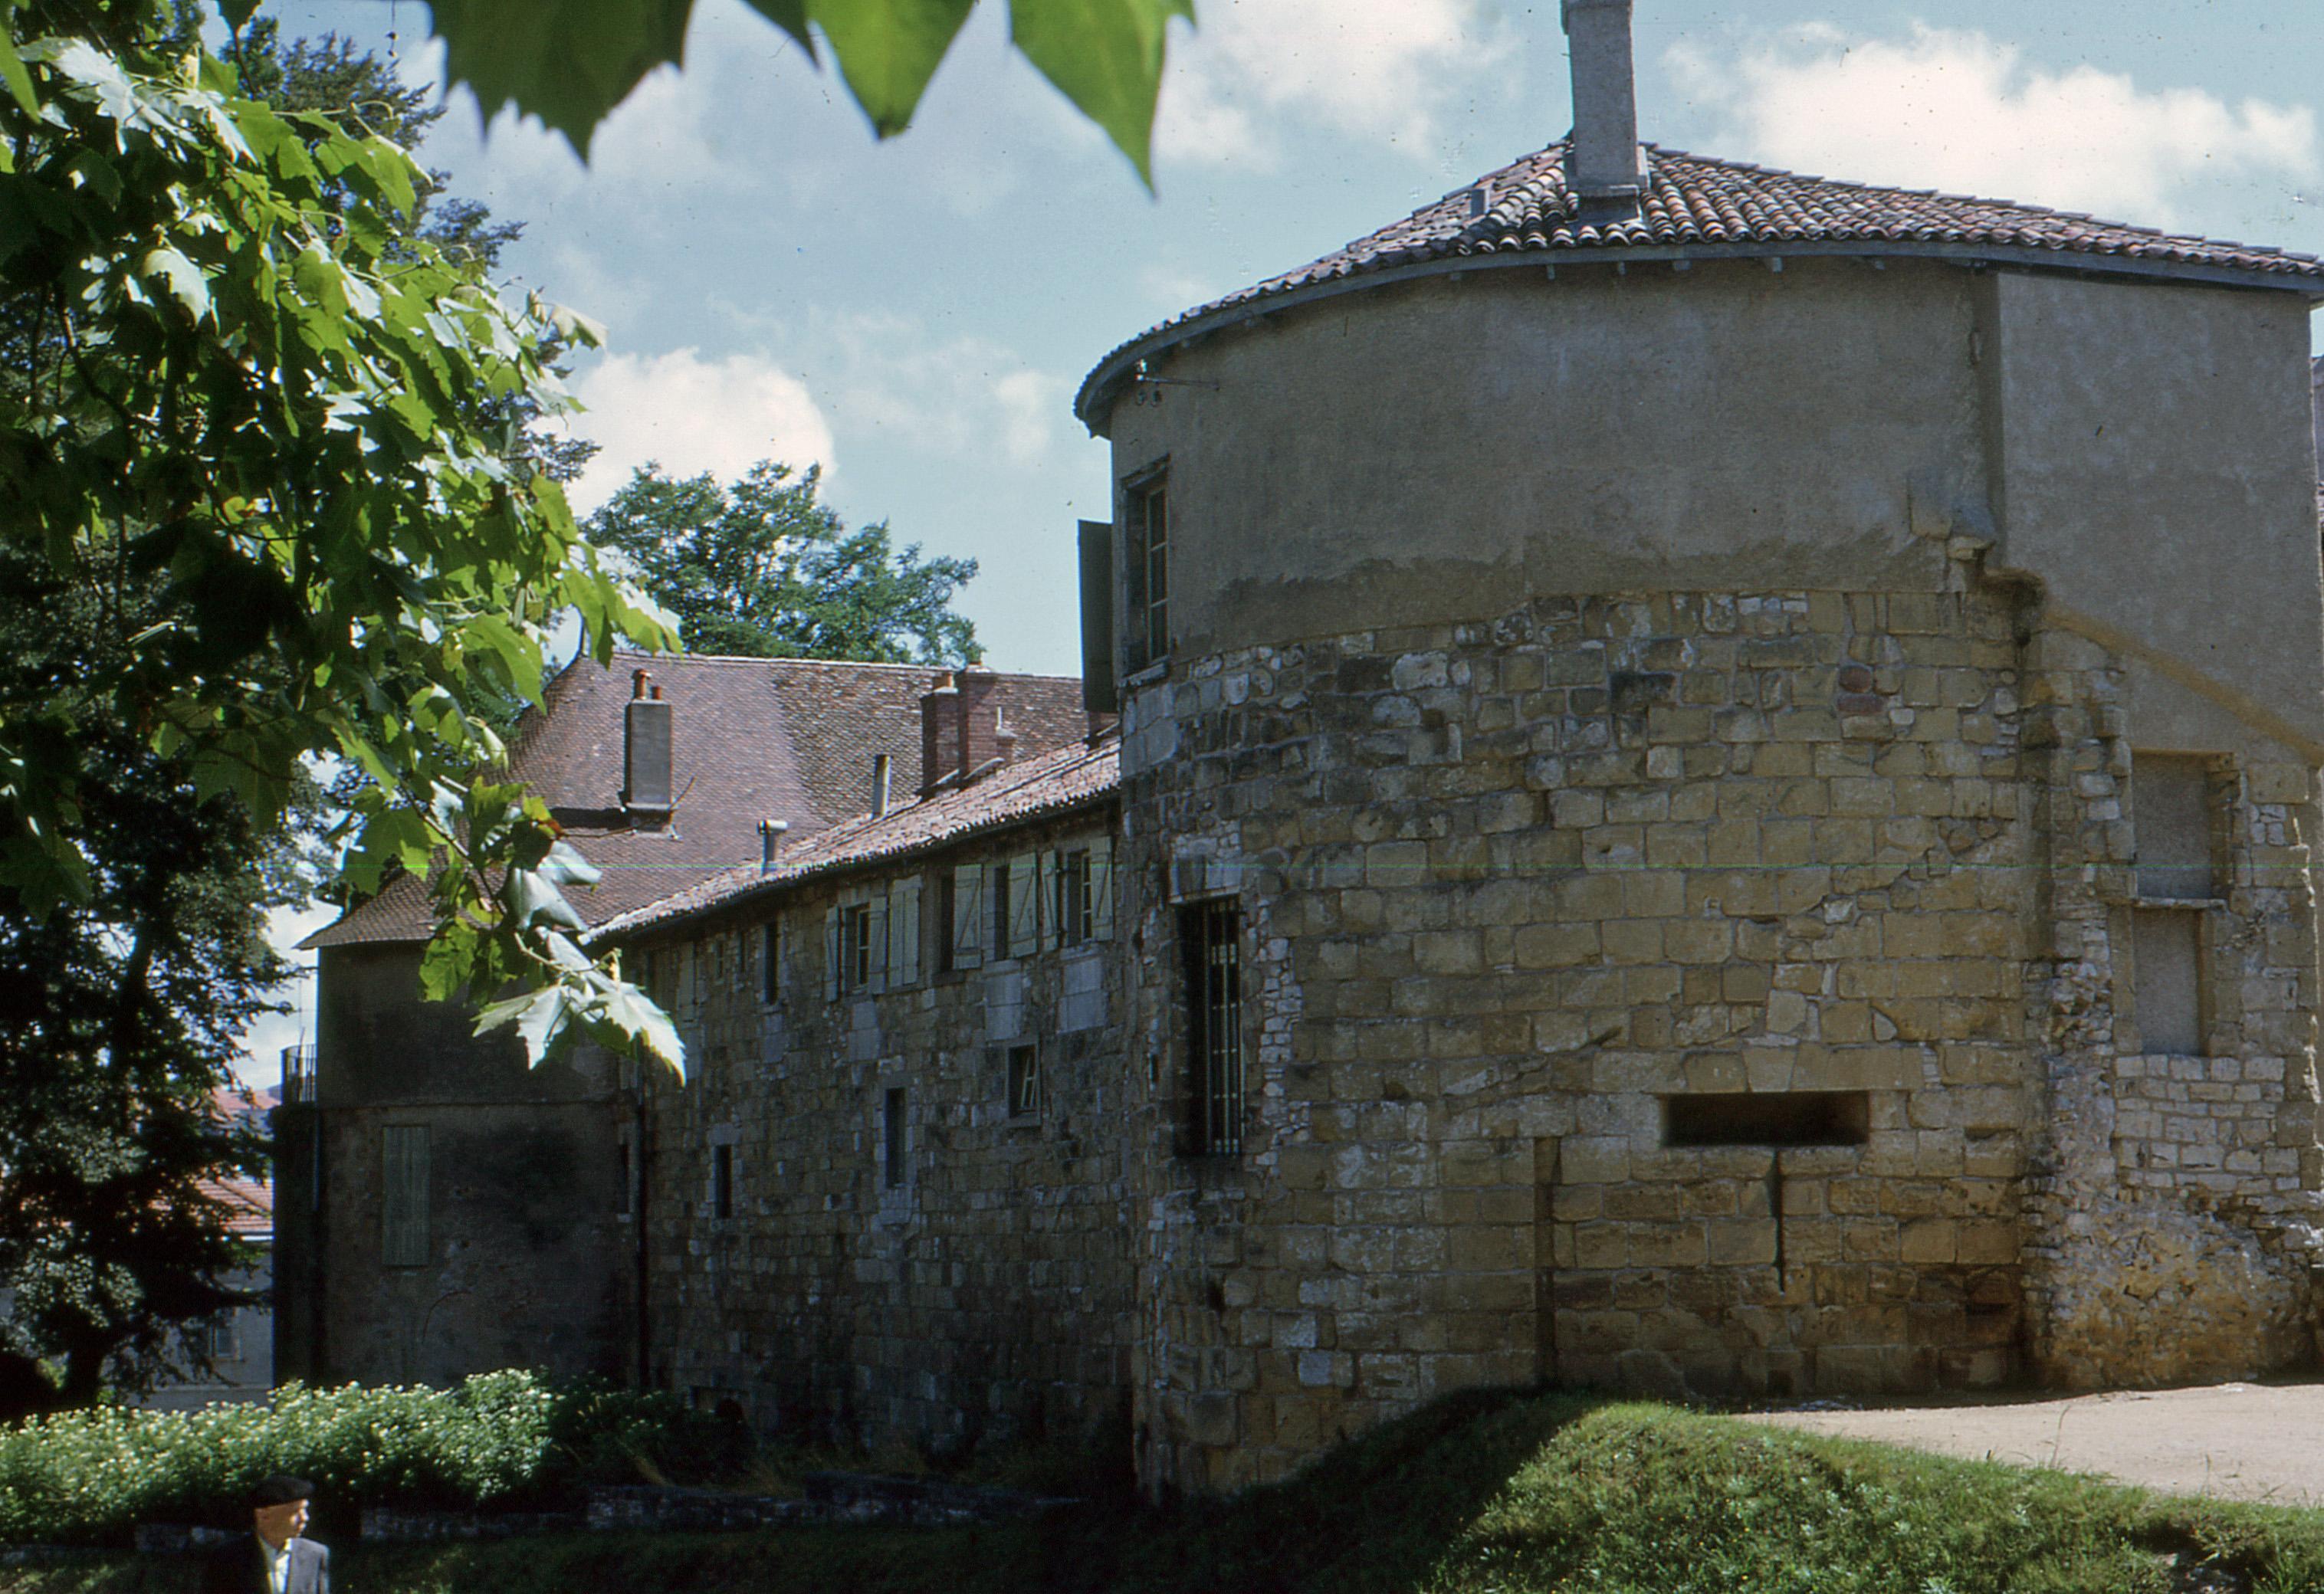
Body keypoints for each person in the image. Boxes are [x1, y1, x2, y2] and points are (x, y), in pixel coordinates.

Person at [200, 1474, 330, 1594]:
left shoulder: (315, 1555)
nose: (304, 1518)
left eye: (305, 1510)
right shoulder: (228, 1559)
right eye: (295, 1512)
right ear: (264, 1516)